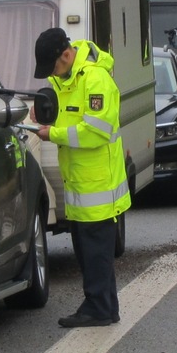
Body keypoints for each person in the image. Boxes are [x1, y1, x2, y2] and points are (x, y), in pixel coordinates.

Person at [33, 27, 129, 328]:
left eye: (56, 66)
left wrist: (54, 134)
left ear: (67, 54)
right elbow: (70, 117)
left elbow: (97, 132)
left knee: (95, 253)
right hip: (79, 184)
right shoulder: (64, 79)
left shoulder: (95, 79)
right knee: (88, 252)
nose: (54, 73)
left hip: (98, 184)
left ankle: (98, 308)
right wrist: (45, 118)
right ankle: (103, 306)